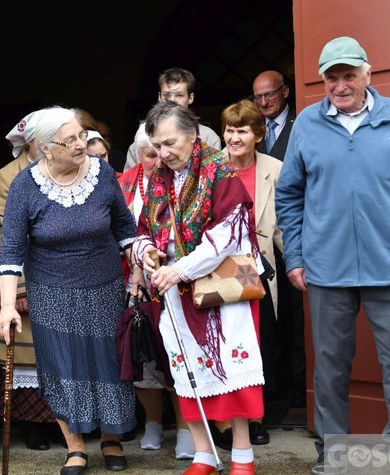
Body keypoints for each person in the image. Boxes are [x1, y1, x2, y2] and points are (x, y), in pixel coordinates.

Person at [275, 36, 390, 475]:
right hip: (326, 270)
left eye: (349, 75)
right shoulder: (308, 125)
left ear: (367, 73)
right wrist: (294, 256)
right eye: (332, 77)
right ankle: (335, 455)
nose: (340, 85)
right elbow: (289, 196)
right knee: (329, 370)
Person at [0, 107, 137, 475]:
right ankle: (75, 447)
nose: (82, 144)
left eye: (82, 135)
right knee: (61, 366)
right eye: (71, 139)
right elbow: (11, 250)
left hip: (105, 286)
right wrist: (7, 306)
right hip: (51, 291)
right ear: (45, 148)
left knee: (108, 363)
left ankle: (111, 438)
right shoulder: (25, 186)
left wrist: (140, 260)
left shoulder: (102, 172)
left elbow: (125, 228)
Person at [132, 101, 264, 475]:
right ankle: (204, 455)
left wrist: (180, 270)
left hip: (219, 289)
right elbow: (143, 229)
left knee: (231, 371)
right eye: (157, 146)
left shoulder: (219, 170)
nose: (164, 153)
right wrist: (148, 252)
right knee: (186, 371)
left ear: (192, 135)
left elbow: (226, 237)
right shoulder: (157, 177)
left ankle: (242, 456)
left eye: (170, 143)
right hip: (173, 292)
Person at [118, 122, 196, 460]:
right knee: (144, 355)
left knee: (177, 356)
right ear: (139, 154)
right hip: (135, 286)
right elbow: (123, 232)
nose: (157, 158)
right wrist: (136, 268)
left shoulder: (182, 181)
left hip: (178, 282)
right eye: (149, 153)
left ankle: (183, 427)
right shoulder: (123, 184)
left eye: (161, 151)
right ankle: (152, 422)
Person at [213, 99, 284, 450]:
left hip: (260, 271)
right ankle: (224, 422)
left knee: (256, 345)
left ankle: (255, 418)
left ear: (258, 134)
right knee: (223, 344)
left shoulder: (276, 168)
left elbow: (285, 225)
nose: (234, 137)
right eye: (229, 130)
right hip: (218, 270)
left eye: (242, 130)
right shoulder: (211, 168)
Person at [0, 110, 59, 450]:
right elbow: (5, 235)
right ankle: (36, 426)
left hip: (65, 275)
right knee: (30, 354)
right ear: (34, 141)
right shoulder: (8, 177)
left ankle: (69, 422)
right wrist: (18, 287)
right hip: (27, 275)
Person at [251, 70, 306, 410]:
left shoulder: (302, 126)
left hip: (294, 232)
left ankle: (301, 387)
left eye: (269, 95)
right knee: (268, 319)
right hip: (260, 238)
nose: (263, 102)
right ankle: (273, 389)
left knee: (296, 315)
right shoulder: (252, 131)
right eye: (257, 97)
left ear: (285, 92)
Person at [124, 67, 221, 169]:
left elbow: (214, 175)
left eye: (179, 95)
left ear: (190, 98)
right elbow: (130, 180)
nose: (172, 101)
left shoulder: (208, 137)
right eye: (166, 95)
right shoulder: (143, 135)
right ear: (159, 97)